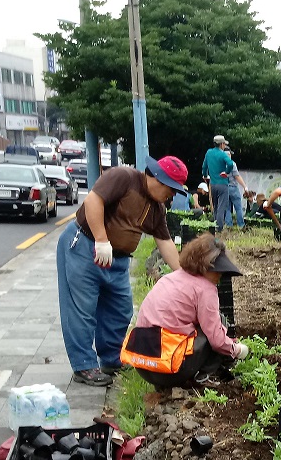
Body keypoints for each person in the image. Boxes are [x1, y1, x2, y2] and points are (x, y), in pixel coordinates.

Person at [57, 156, 187, 387]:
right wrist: (101, 239)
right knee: (82, 309)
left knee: (120, 308)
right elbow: (93, 201)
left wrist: (184, 276)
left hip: (117, 262)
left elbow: (165, 243)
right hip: (87, 248)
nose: (173, 195)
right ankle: (84, 365)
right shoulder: (124, 178)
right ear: (158, 178)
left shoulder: (157, 209)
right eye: (171, 189)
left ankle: (111, 359)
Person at [123, 233, 249, 388]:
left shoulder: (171, 278)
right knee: (217, 324)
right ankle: (202, 377)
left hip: (143, 365)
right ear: (205, 267)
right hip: (169, 371)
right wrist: (236, 349)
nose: (219, 275)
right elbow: (216, 340)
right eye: (216, 270)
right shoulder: (205, 289)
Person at [201, 134, 234, 232]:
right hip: (223, 184)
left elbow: (204, 166)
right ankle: (219, 228)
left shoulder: (209, 153)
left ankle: (214, 225)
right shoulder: (223, 154)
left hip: (212, 184)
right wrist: (226, 172)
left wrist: (205, 175)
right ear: (222, 144)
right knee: (221, 207)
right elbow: (230, 164)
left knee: (215, 206)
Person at [223, 149, 247, 230]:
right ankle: (241, 225)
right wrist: (244, 186)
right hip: (233, 187)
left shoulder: (220, 164)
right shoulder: (232, 164)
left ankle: (229, 225)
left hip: (224, 188)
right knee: (238, 207)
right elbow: (237, 176)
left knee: (227, 208)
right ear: (228, 155)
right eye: (230, 154)